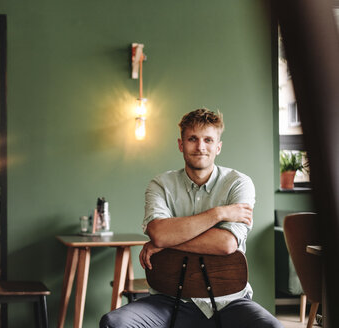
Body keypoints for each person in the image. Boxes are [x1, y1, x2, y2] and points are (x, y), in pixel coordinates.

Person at [100, 109, 282, 328]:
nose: (200, 147)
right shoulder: (160, 184)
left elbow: (226, 243)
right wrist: (219, 213)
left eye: (208, 140)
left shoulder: (239, 183)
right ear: (181, 144)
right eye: (192, 139)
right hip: (168, 300)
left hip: (230, 301)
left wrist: (167, 242)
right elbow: (158, 233)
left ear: (218, 147)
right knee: (114, 323)